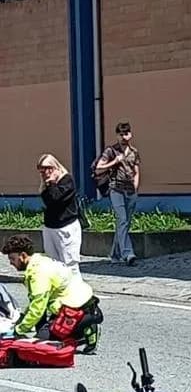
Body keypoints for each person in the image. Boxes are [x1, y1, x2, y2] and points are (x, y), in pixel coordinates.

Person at [0, 235, 102, 353]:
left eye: (12, 259)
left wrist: (18, 330)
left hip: (76, 309)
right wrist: (22, 320)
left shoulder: (38, 274)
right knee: (40, 325)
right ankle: (79, 328)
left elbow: (38, 308)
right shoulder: (40, 259)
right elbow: (35, 303)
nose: (11, 263)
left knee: (43, 344)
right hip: (81, 301)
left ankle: (87, 329)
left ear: (23, 256)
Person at [94, 121, 140, 266]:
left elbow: (137, 171)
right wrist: (114, 161)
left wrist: (136, 187)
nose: (123, 137)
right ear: (117, 136)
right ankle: (128, 253)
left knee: (125, 223)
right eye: (121, 134)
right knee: (122, 220)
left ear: (130, 134)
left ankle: (115, 253)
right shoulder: (111, 151)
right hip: (116, 189)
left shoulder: (134, 152)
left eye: (126, 134)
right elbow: (98, 168)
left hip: (130, 191)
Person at [36, 153, 83, 276]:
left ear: (55, 166)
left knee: (70, 264)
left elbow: (57, 199)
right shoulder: (45, 185)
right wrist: (48, 184)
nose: (45, 172)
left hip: (66, 227)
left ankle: (77, 291)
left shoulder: (67, 180)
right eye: (41, 169)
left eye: (48, 168)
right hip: (50, 227)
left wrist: (52, 184)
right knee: (54, 265)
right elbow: (48, 202)